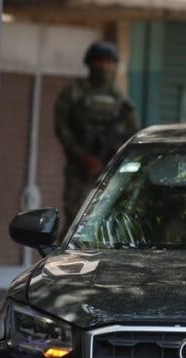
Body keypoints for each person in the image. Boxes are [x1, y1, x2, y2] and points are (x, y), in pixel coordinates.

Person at [54, 41, 140, 223]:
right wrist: (83, 157)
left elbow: (134, 135)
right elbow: (62, 128)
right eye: (99, 61)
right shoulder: (74, 93)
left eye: (108, 62)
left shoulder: (121, 100)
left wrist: (115, 160)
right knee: (75, 221)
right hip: (79, 168)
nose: (103, 66)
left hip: (110, 169)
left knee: (108, 220)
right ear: (90, 63)